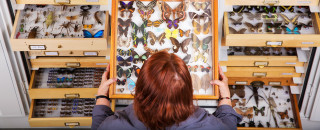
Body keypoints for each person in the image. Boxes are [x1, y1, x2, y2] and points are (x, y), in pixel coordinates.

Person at [92, 51, 242, 130]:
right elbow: (229, 127)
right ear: (188, 91)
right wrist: (225, 99)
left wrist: (101, 97)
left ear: (139, 88)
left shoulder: (113, 126)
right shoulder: (211, 126)